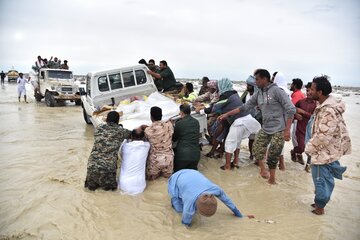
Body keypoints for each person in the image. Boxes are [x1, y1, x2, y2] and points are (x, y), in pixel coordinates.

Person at [219, 69, 296, 184]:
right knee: (257, 148)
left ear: (265, 79)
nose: (256, 82)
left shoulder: (277, 91)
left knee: (274, 153)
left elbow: (291, 109)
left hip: (279, 128)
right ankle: (263, 170)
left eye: (257, 79)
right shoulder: (259, 93)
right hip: (265, 127)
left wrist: (287, 130)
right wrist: (227, 114)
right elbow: (244, 107)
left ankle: (272, 179)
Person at [305, 75, 351, 215]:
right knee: (322, 178)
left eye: (312, 89)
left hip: (323, 153)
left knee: (321, 179)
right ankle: (320, 201)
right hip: (327, 151)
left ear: (320, 92)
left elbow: (323, 136)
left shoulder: (328, 110)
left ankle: (320, 208)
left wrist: (308, 148)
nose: (309, 91)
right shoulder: (323, 106)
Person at [168, 169, 254, 227]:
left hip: (193, 173)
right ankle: (174, 202)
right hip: (176, 178)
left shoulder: (215, 190)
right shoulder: (190, 200)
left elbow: (227, 201)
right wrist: (185, 229)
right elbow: (185, 221)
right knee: (179, 209)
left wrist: (239, 214)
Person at [85, 111, 131, 191]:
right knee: (109, 193)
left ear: (106, 120)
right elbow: (133, 134)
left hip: (92, 166)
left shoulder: (98, 128)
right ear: (118, 121)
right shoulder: (121, 131)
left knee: (90, 191)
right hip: (108, 169)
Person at [142, 106, 174, 180]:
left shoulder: (147, 130)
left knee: (152, 180)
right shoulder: (169, 126)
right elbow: (170, 122)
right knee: (168, 181)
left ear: (151, 117)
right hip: (168, 160)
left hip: (154, 161)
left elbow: (145, 139)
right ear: (161, 115)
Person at [118, 128, 150, 195]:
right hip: (140, 186)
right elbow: (147, 139)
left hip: (124, 185)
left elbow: (124, 140)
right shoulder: (147, 146)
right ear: (143, 137)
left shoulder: (124, 146)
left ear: (131, 137)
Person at [292, 82, 316, 167]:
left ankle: (308, 165)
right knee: (302, 148)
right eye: (307, 90)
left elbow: (314, 117)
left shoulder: (317, 104)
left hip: (311, 131)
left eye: (310, 90)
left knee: (311, 149)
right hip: (300, 129)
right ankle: (294, 151)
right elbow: (292, 109)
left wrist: (303, 112)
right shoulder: (301, 102)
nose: (308, 92)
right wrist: (296, 115)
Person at [240, 75, 262, 161]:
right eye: (247, 85)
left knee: (259, 140)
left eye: (249, 85)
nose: (247, 87)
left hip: (259, 120)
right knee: (251, 139)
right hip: (248, 119)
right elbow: (240, 103)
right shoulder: (246, 94)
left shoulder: (259, 95)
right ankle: (251, 154)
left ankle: (259, 157)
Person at [173, 104, 200, 172]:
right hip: (195, 155)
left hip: (182, 155)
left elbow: (174, 139)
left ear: (181, 112)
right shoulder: (196, 122)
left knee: (178, 175)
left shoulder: (179, 123)